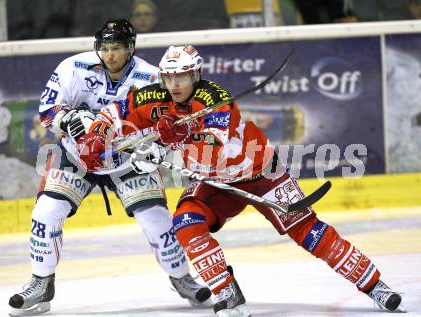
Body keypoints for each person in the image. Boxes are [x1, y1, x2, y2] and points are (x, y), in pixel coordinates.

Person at [78, 45, 404, 316]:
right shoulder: (151, 96)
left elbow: (218, 147)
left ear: (196, 75)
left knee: (307, 231)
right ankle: (227, 293)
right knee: (186, 223)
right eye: (169, 76)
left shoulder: (214, 99)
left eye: (183, 76)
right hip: (216, 183)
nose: (175, 84)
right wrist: (98, 134)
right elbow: (114, 112)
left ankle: (374, 284)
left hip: (260, 173)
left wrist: (177, 137)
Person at [7, 21, 211, 316]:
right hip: (77, 158)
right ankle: (41, 284)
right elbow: (47, 110)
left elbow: (167, 128)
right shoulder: (72, 67)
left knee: (156, 220)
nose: (110, 55)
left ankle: (182, 279)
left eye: (116, 48)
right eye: (104, 48)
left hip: (128, 161)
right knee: (46, 213)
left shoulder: (151, 78)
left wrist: (154, 150)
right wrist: (67, 121)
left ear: (130, 48)